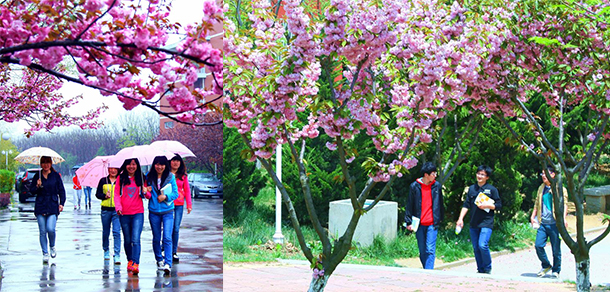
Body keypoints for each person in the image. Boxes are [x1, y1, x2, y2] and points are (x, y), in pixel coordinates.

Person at [456, 165, 502, 274]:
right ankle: (480, 269)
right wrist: (460, 219)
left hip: (486, 222)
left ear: (487, 177)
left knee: (482, 245)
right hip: (474, 223)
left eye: (482, 174)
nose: (479, 176)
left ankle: (487, 267)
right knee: (476, 248)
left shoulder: (492, 190)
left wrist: (488, 206)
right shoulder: (472, 189)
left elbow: (499, 205)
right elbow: (466, 205)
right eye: (478, 173)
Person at [404, 162, 444, 269]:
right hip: (419, 223)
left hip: (432, 223)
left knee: (430, 249)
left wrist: (440, 219)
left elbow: (440, 204)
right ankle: (426, 269)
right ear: (426, 175)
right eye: (433, 173)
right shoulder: (415, 186)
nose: (435, 175)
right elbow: (410, 204)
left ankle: (428, 273)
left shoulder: (436, 186)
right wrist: (408, 222)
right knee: (422, 250)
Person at [530, 166, 568, 278]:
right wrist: (533, 217)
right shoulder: (541, 188)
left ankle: (556, 270)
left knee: (556, 250)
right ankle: (546, 265)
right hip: (543, 223)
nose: (543, 176)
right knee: (538, 245)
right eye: (542, 174)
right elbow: (537, 203)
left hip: (555, 224)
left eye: (546, 174)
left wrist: (564, 219)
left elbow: (565, 204)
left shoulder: (560, 188)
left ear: (553, 175)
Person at [114, 158, 150, 275]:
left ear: (137, 166)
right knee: (128, 239)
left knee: (135, 239)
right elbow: (116, 194)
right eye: (129, 164)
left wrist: (145, 191)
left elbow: (148, 195)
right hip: (123, 213)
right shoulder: (121, 178)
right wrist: (118, 207)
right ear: (125, 165)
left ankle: (136, 263)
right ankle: (130, 260)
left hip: (137, 213)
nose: (131, 166)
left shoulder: (141, 177)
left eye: (134, 164)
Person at [29, 156, 66, 264]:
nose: (46, 165)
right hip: (41, 205)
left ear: (51, 163)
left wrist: (61, 203)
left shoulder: (55, 176)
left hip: (52, 205)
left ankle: (52, 246)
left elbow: (61, 191)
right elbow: (32, 191)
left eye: (48, 162)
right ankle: (45, 253)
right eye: (43, 163)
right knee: (42, 231)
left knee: (50, 229)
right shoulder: (38, 176)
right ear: (40, 164)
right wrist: (37, 186)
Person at [146, 156, 179, 274]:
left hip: (168, 211)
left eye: (162, 164)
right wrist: (146, 191)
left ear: (166, 165)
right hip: (154, 211)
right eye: (157, 164)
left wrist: (165, 197)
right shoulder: (148, 177)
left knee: (167, 237)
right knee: (156, 237)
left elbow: (176, 194)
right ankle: (159, 259)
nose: (159, 167)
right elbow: (145, 194)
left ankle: (168, 263)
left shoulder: (170, 177)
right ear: (154, 165)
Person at [95, 165, 122, 264]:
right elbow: (97, 194)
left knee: (116, 232)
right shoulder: (103, 181)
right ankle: (106, 250)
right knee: (106, 232)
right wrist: (104, 196)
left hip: (117, 210)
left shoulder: (120, 181)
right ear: (108, 169)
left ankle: (117, 253)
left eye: (115, 168)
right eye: (111, 168)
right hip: (105, 210)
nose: (113, 170)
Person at [169, 154, 192, 263]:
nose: (176, 163)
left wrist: (189, 204)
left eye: (178, 161)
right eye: (173, 160)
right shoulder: (166, 175)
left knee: (176, 228)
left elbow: (187, 190)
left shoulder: (183, 176)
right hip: (167, 204)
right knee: (168, 227)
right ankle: (166, 248)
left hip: (178, 204)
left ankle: (174, 252)